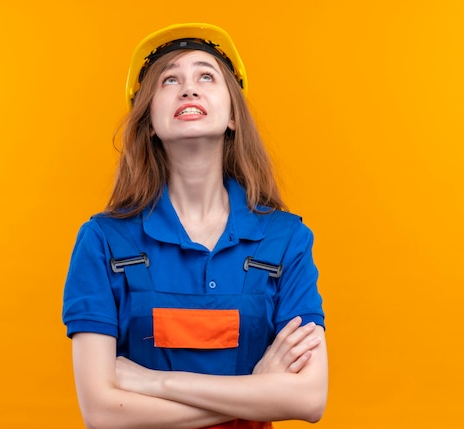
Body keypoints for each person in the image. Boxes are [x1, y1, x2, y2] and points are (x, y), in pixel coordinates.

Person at [62, 23, 328, 429]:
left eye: (206, 75)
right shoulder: (102, 241)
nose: (189, 89)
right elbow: (101, 414)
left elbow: (309, 398)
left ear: (234, 115)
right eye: (170, 80)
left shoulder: (286, 239)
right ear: (149, 120)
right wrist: (259, 391)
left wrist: (155, 382)